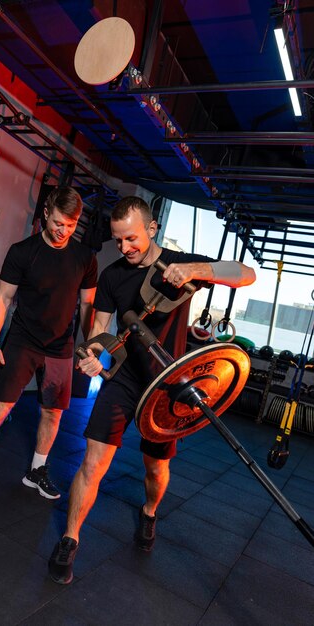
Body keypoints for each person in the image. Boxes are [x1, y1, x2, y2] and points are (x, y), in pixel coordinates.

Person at [48, 195, 256, 584]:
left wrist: (196, 269)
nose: (124, 248)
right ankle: (69, 540)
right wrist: (94, 354)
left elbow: (247, 274)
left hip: (168, 386)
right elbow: (99, 331)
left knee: (156, 467)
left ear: (152, 229)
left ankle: (148, 511)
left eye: (131, 239)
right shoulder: (111, 276)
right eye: (118, 240)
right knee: (93, 463)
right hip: (124, 381)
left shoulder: (181, 265)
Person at [0, 186, 97, 512]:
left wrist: (89, 347)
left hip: (61, 346)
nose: (64, 230)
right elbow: (2, 298)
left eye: (71, 225)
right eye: (59, 223)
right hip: (23, 340)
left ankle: (37, 470)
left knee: (53, 412)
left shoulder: (84, 258)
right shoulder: (23, 251)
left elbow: (89, 306)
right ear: (47, 214)